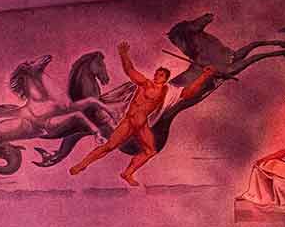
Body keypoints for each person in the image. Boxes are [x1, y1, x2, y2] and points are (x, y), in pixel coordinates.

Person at [69, 43, 218, 185]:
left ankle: (127, 173)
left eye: (161, 75)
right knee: (109, 146)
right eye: (156, 73)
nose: (157, 76)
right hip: (130, 121)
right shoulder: (145, 84)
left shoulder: (168, 91)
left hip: (141, 125)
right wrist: (124, 55)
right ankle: (81, 165)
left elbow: (188, 93)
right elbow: (130, 70)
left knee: (150, 151)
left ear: (166, 78)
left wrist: (204, 76)